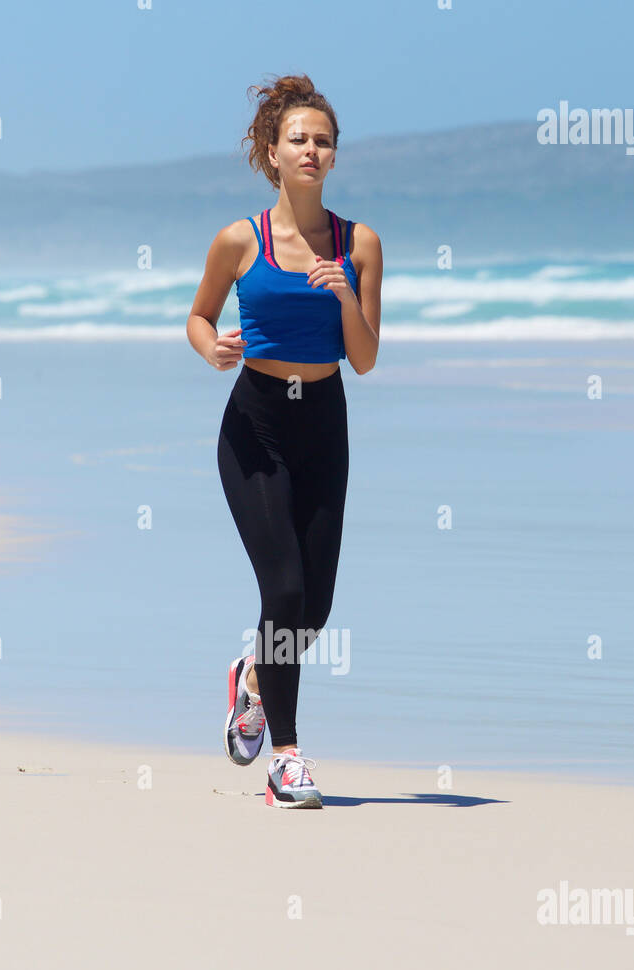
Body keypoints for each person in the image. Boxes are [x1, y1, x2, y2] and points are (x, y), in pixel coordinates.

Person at [186, 74, 382, 808]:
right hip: (256, 426)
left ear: (334, 157)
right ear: (272, 152)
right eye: (298, 138)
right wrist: (210, 349)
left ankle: (255, 677)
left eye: (323, 140)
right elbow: (198, 317)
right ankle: (288, 760)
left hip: (324, 423)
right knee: (286, 590)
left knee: (316, 607)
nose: (311, 149)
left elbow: (363, 358)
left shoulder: (360, 244)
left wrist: (340, 295)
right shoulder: (240, 239)